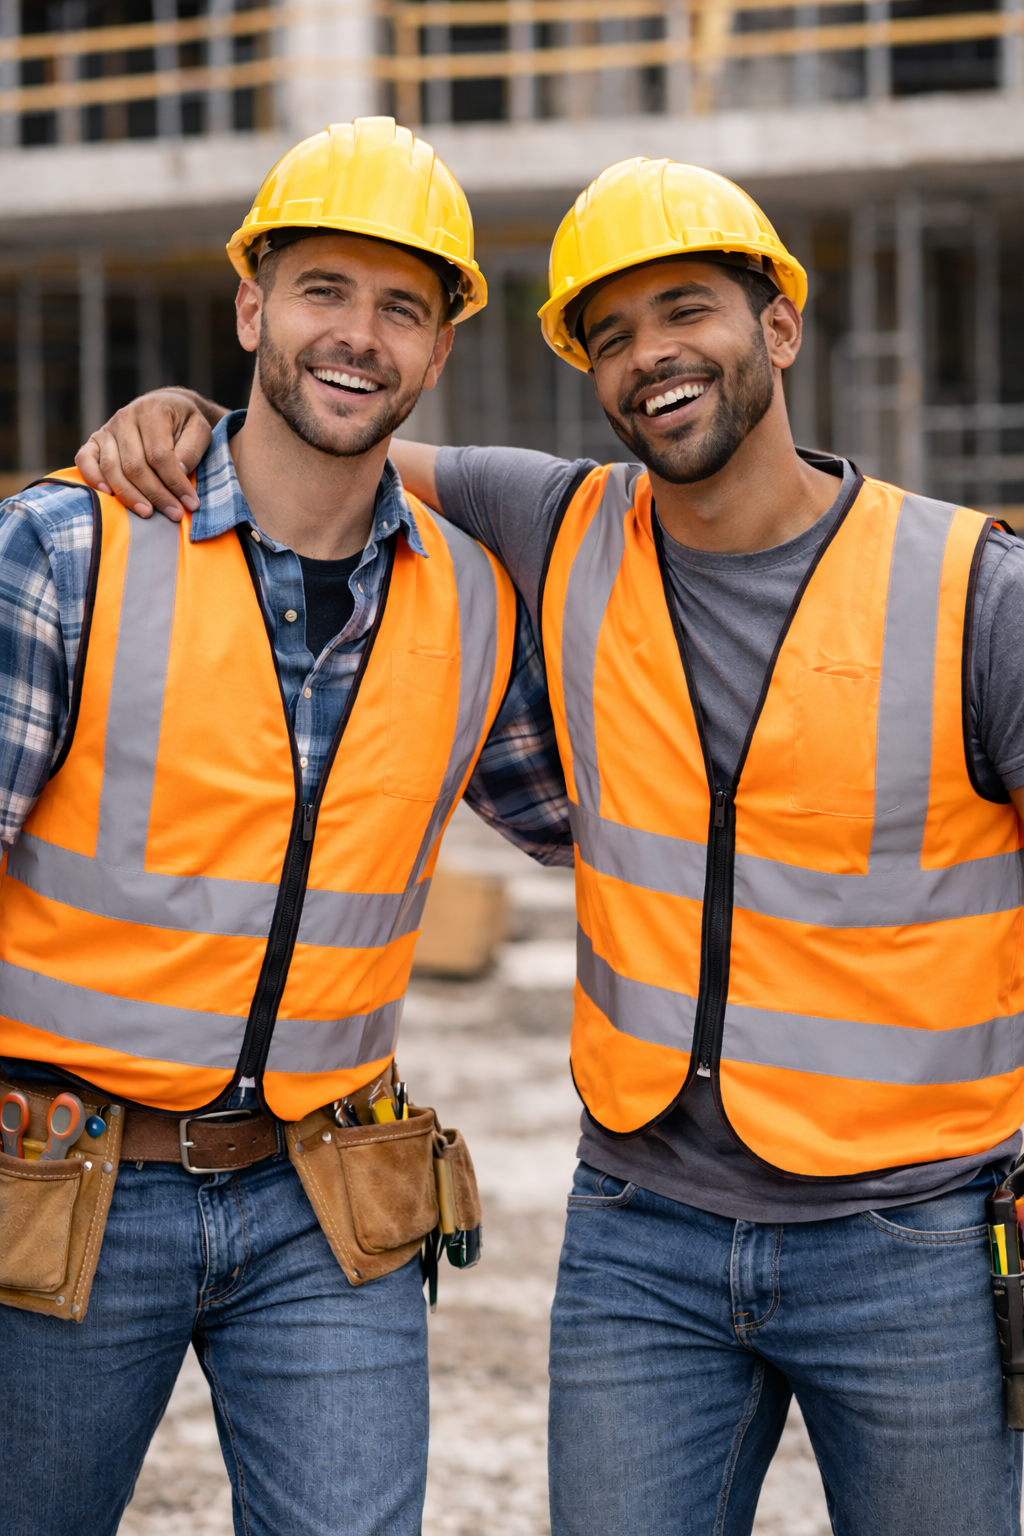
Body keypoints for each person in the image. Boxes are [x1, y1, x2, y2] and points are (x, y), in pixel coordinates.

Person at [80, 156, 1024, 1535]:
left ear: (779, 326)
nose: (650, 358)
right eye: (612, 335)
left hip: (915, 1243)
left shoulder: (972, 593)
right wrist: (167, 422)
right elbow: (315, 440)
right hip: (644, 1232)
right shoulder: (556, 522)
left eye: (685, 311)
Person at [0, 116, 572, 1536]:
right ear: (253, 307)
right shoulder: (67, 551)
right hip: (63, 1179)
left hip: (329, 1195)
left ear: (439, 355)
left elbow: (617, 833)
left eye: (403, 308)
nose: (359, 336)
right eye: (325, 290)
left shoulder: (476, 605)